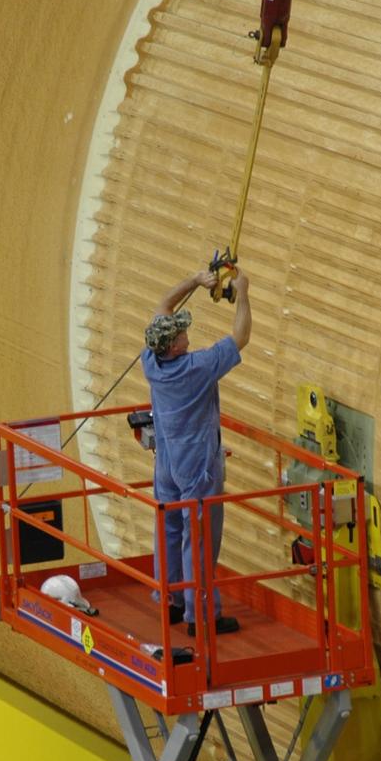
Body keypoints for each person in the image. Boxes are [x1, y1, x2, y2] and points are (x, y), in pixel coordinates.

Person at [141, 265, 251, 636]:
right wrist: (244, 292)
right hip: (198, 470)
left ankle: (170, 601)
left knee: (170, 530)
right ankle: (200, 618)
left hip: (167, 465)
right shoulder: (197, 368)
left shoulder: (151, 363)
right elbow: (241, 336)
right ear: (174, 345)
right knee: (199, 541)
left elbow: (163, 304)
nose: (187, 332)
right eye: (182, 331)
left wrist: (196, 281)